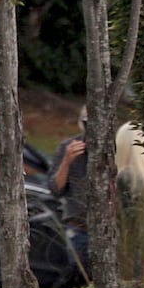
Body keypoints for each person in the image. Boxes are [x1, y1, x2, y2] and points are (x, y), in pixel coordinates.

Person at [49, 108, 89, 267]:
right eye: (86, 123)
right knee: (78, 277)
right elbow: (55, 189)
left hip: (111, 231)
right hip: (79, 229)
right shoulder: (69, 147)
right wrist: (67, 160)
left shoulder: (115, 147)